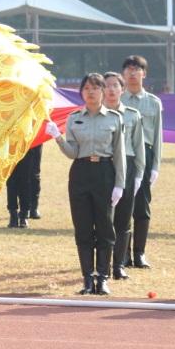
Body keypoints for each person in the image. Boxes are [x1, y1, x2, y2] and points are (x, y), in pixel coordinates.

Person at [46, 73, 126, 296]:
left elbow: (119, 153)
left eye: (95, 88)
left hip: (105, 172)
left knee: (105, 227)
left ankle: (103, 277)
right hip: (81, 173)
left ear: (103, 91)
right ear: (81, 92)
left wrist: (119, 184)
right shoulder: (74, 118)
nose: (91, 92)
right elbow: (72, 153)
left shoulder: (114, 118)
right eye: (87, 88)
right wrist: (58, 137)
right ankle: (88, 278)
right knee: (83, 227)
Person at [120, 55, 163, 269]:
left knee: (142, 205)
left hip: (145, 155)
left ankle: (139, 253)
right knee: (122, 205)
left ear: (144, 73)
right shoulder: (117, 100)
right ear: (123, 74)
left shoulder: (153, 102)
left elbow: (157, 137)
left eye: (136, 69)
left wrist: (155, 166)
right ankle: (123, 254)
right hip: (123, 153)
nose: (132, 73)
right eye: (128, 69)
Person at [102, 72, 145, 280]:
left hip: (127, 167)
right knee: (103, 218)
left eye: (115, 85)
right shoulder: (95, 115)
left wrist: (138, 175)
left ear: (122, 89)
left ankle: (119, 265)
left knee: (123, 218)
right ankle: (103, 264)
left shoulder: (133, 115)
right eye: (106, 86)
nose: (111, 90)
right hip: (103, 167)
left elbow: (139, 147)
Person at [4, 144, 43, 228]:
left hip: (28, 145)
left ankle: (24, 215)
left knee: (26, 180)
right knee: (11, 181)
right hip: (10, 145)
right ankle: (13, 215)